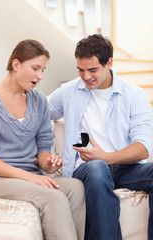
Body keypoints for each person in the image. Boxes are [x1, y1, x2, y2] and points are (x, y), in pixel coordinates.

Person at [48, 34, 153, 240]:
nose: (86, 76)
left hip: (126, 169)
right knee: (97, 168)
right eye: (81, 70)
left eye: (93, 70)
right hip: (87, 170)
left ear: (109, 63)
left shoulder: (134, 96)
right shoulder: (69, 91)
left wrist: (105, 157)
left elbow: (143, 147)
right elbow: (38, 111)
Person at [0, 39, 86, 240]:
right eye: (35, 68)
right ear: (16, 64)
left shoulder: (40, 101)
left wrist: (48, 163)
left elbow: (43, 147)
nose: (40, 76)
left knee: (76, 188)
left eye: (43, 70)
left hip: (30, 176)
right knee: (53, 198)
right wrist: (30, 177)